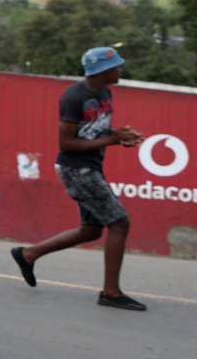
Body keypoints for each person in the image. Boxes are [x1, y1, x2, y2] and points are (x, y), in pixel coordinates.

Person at [9, 47, 148, 310]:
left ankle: (28, 254)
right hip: (77, 168)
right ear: (102, 70)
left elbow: (96, 130)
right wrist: (112, 139)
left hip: (90, 166)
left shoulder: (105, 92)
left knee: (92, 229)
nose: (120, 69)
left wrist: (119, 136)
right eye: (116, 66)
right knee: (119, 223)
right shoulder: (74, 97)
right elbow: (67, 143)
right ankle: (110, 293)